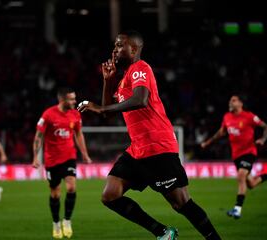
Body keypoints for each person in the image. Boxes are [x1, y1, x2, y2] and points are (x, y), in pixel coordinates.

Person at [77, 30, 221, 240]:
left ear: (133, 49)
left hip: (158, 146)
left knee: (181, 203)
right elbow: (108, 112)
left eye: (119, 45)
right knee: (110, 195)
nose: (114, 49)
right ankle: (163, 232)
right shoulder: (125, 77)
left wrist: (101, 108)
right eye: (114, 46)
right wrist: (108, 81)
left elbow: (140, 100)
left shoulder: (140, 68)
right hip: (137, 149)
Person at [32, 87, 92, 239]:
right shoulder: (48, 114)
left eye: (74, 98)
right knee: (55, 193)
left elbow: (78, 134)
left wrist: (84, 154)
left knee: (71, 187)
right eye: (71, 99)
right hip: (52, 160)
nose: (74, 101)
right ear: (62, 100)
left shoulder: (75, 114)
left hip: (69, 156)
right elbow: (38, 136)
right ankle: (56, 223)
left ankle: (67, 220)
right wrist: (35, 157)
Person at [201, 95, 267, 219]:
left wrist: (263, 139)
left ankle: (237, 209)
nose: (230, 102)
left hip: (249, 152)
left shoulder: (249, 116)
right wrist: (207, 143)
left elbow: (265, 126)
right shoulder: (227, 117)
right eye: (230, 100)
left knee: (241, 175)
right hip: (236, 155)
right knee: (251, 184)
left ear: (241, 103)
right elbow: (220, 133)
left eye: (233, 100)